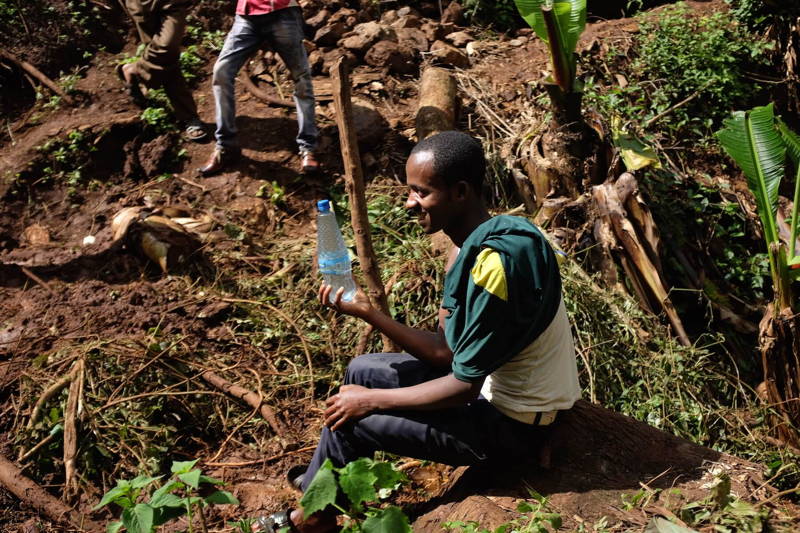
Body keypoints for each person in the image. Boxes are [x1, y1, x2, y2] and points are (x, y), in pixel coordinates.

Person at [258, 131, 580, 532]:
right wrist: (370, 313)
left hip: (514, 423)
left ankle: (314, 517)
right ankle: (320, 487)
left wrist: (372, 402)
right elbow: (446, 351)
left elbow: (463, 384)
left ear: (460, 191)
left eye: (420, 192)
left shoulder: (494, 266)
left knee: (356, 415)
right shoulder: (472, 245)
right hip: (489, 391)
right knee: (362, 368)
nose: (409, 203)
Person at [199, 0, 319, 176]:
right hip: (247, 16)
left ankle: (308, 147)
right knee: (221, 71)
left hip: (282, 12)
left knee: (301, 77)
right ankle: (225, 146)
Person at [119, 0, 207, 142]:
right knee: (166, 57)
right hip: (142, 4)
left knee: (166, 46)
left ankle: (137, 70)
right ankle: (189, 117)